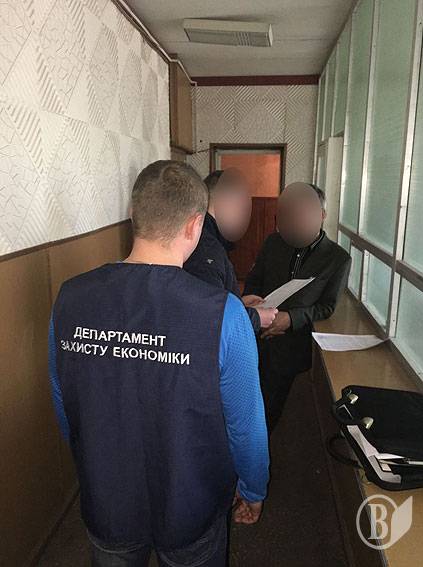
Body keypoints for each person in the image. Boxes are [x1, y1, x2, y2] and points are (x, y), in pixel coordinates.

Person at [48, 161, 269, 567]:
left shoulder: (70, 298)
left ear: (134, 214)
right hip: (191, 505)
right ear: (196, 225)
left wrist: (95, 460)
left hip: (107, 497)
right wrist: (254, 487)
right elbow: (245, 424)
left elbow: (67, 407)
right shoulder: (224, 314)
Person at [243, 182, 351, 432]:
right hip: (255, 330)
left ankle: (262, 439)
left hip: (291, 343)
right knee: (244, 392)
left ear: (321, 215)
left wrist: (291, 319)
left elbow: (326, 307)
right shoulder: (273, 242)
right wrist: (253, 304)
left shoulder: (337, 259)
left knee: (271, 404)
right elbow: (254, 279)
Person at [184, 168, 277, 333]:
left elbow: (215, 297)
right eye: (241, 207)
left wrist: (238, 303)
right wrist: (256, 317)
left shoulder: (212, 238)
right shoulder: (206, 247)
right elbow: (209, 317)